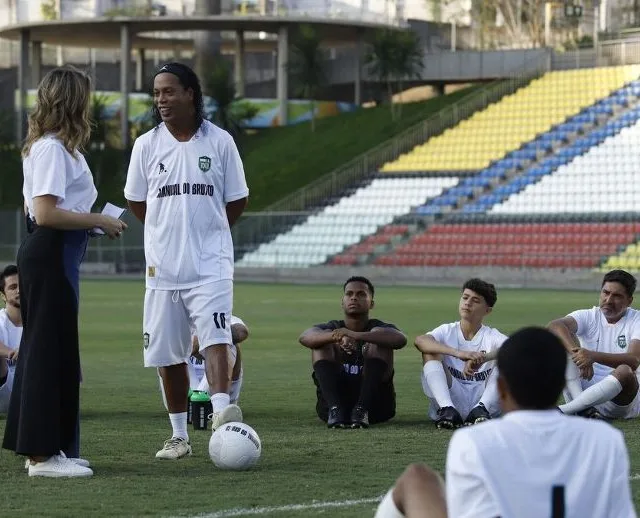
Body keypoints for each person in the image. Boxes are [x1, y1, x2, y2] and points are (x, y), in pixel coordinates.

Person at [2, 66, 126, 478]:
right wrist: (98, 219)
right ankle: (41, 456)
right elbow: (44, 212)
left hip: (58, 252)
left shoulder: (59, 148)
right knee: (46, 352)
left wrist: (92, 223)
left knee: (54, 351)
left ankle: (52, 446)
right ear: (73, 101)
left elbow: (49, 211)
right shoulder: (51, 149)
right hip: (50, 253)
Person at [374, 327, 635, 518]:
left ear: (501, 388)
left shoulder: (472, 441)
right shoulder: (606, 440)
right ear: (559, 386)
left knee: (416, 478)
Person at [124, 62, 249, 460]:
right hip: (162, 269)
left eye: (168, 91)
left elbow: (238, 199)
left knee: (216, 335)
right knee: (168, 355)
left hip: (210, 264)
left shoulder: (221, 142)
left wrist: (208, 233)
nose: (161, 99)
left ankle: (220, 415)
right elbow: (135, 201)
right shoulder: (146, 145)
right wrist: (165, 231)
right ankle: (179, 436)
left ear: (190, 93)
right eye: (157, 93)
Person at [298, 276, 407, 428]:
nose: (354, 298)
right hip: (333, 407)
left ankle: (361, 410)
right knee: (322, 342)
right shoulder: (333, 326)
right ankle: (335, 409)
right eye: (349, 294)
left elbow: (400, 339)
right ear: (342, 301)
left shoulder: (379, 326)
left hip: (376, 409)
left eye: (361, 294)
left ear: (372, 303)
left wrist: (354, 335)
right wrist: (337, 337)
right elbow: (305, 337)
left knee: (379, 339)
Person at [548, 269, 640, 420]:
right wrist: (577, 354)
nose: (608, 300)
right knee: (559, 345)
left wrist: (591, 356)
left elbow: (634, 360)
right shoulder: (590, 315)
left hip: (618, 400)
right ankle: (583, 409)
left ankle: (563, 410)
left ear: (629, 300)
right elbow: (554, 326)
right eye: (606, 292)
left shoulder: (637, 320)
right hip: (581, 388)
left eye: (617, 296)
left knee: (625, 370)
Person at [415, 278, 507, 429]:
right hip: (452, 395)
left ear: (487, 310)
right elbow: (420, 341)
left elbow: (516, 347)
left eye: (475, 300)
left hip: (483, 398)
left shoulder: (491, 335)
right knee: (430, 351)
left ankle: (482, 408)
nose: (467, 303)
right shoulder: (447, 330)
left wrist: (483, 358)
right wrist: (459, 353)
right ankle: (447, 409)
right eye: (465, 297)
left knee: (508, 358)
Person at [159, 316, 249, 408]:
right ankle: (191, 398)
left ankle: (209, 399)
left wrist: (205, 341)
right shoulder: (177, 320)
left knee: (229, 346)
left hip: (220, 385)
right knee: (166, 345)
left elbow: (242, 332)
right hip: (184, 383)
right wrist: (188, 348)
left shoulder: (221, 316)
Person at [0, 265, 22, 414]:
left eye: (22, 285)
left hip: (32, 387)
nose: (19, 291)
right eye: (13, 287)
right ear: (3, 296)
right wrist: (11, 352)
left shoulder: (41, 322)